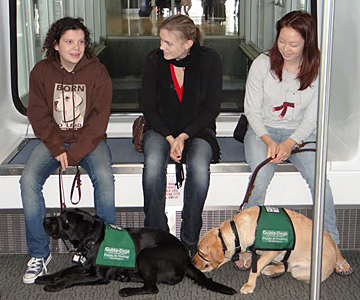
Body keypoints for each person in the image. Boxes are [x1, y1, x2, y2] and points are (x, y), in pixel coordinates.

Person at [235, 10, 353, 276]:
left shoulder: (317, 68)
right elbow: (251, 110)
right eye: (281, 41)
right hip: (261, 130)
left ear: (307, 43)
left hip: (299, 134)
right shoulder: (262, 64)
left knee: (319, 180)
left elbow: (313, 116)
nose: (285, 49)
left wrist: (289, 142)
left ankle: (331, 245)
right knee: (260, 177)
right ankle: (249, 245)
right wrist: (267, 139)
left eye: (293, 44)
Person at [20, 17, 116, 284]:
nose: (76, 48)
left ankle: (106, 250)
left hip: (90, 141)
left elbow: (99, 121)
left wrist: (74, 154)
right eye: (69, 42)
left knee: (105, 180)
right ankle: (39, 254)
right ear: (56, 44)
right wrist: (56, 146)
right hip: (53, 141)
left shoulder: (98, 72)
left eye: (81, 41)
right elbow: (38, 115)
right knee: (28, 180)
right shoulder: (41, 72)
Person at [141, 15, 222, 257]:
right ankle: (157, 236)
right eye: (161, 41)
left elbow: (211, 109)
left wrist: (184, 136)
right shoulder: (154, 61)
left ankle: (189, 238)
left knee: (198, 166)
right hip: (160, 127)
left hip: (198, 128)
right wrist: (169, 137)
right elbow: (149, 107)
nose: (161, 47)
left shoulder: (209, 61)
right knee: (153, 164)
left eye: (168, 43)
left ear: (187, 44)